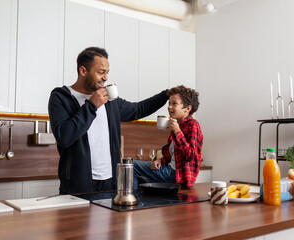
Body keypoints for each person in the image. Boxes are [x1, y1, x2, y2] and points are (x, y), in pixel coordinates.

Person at [48, 47, 169, 194]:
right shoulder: (61, 97)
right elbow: (65, 137)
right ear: (83, 70)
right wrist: (92, 105)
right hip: (78, 185)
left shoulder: (110, 100)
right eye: (100, 72)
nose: (105, 78)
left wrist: (166, 94)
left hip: (110, 182)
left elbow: (138, 109)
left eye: (107, 72)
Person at [133, 85, 203, 189]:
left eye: (174, 103)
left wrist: (177, 131)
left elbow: (191, 155)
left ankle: (132, 201)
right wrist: (160, 160)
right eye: (169, 103)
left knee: (132, 166)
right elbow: (173, 156)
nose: (169, 107)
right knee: (140, 177)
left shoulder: (192, 125)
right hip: (172, 172)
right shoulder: (177, 124)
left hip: (177, 175)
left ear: (187, 109)